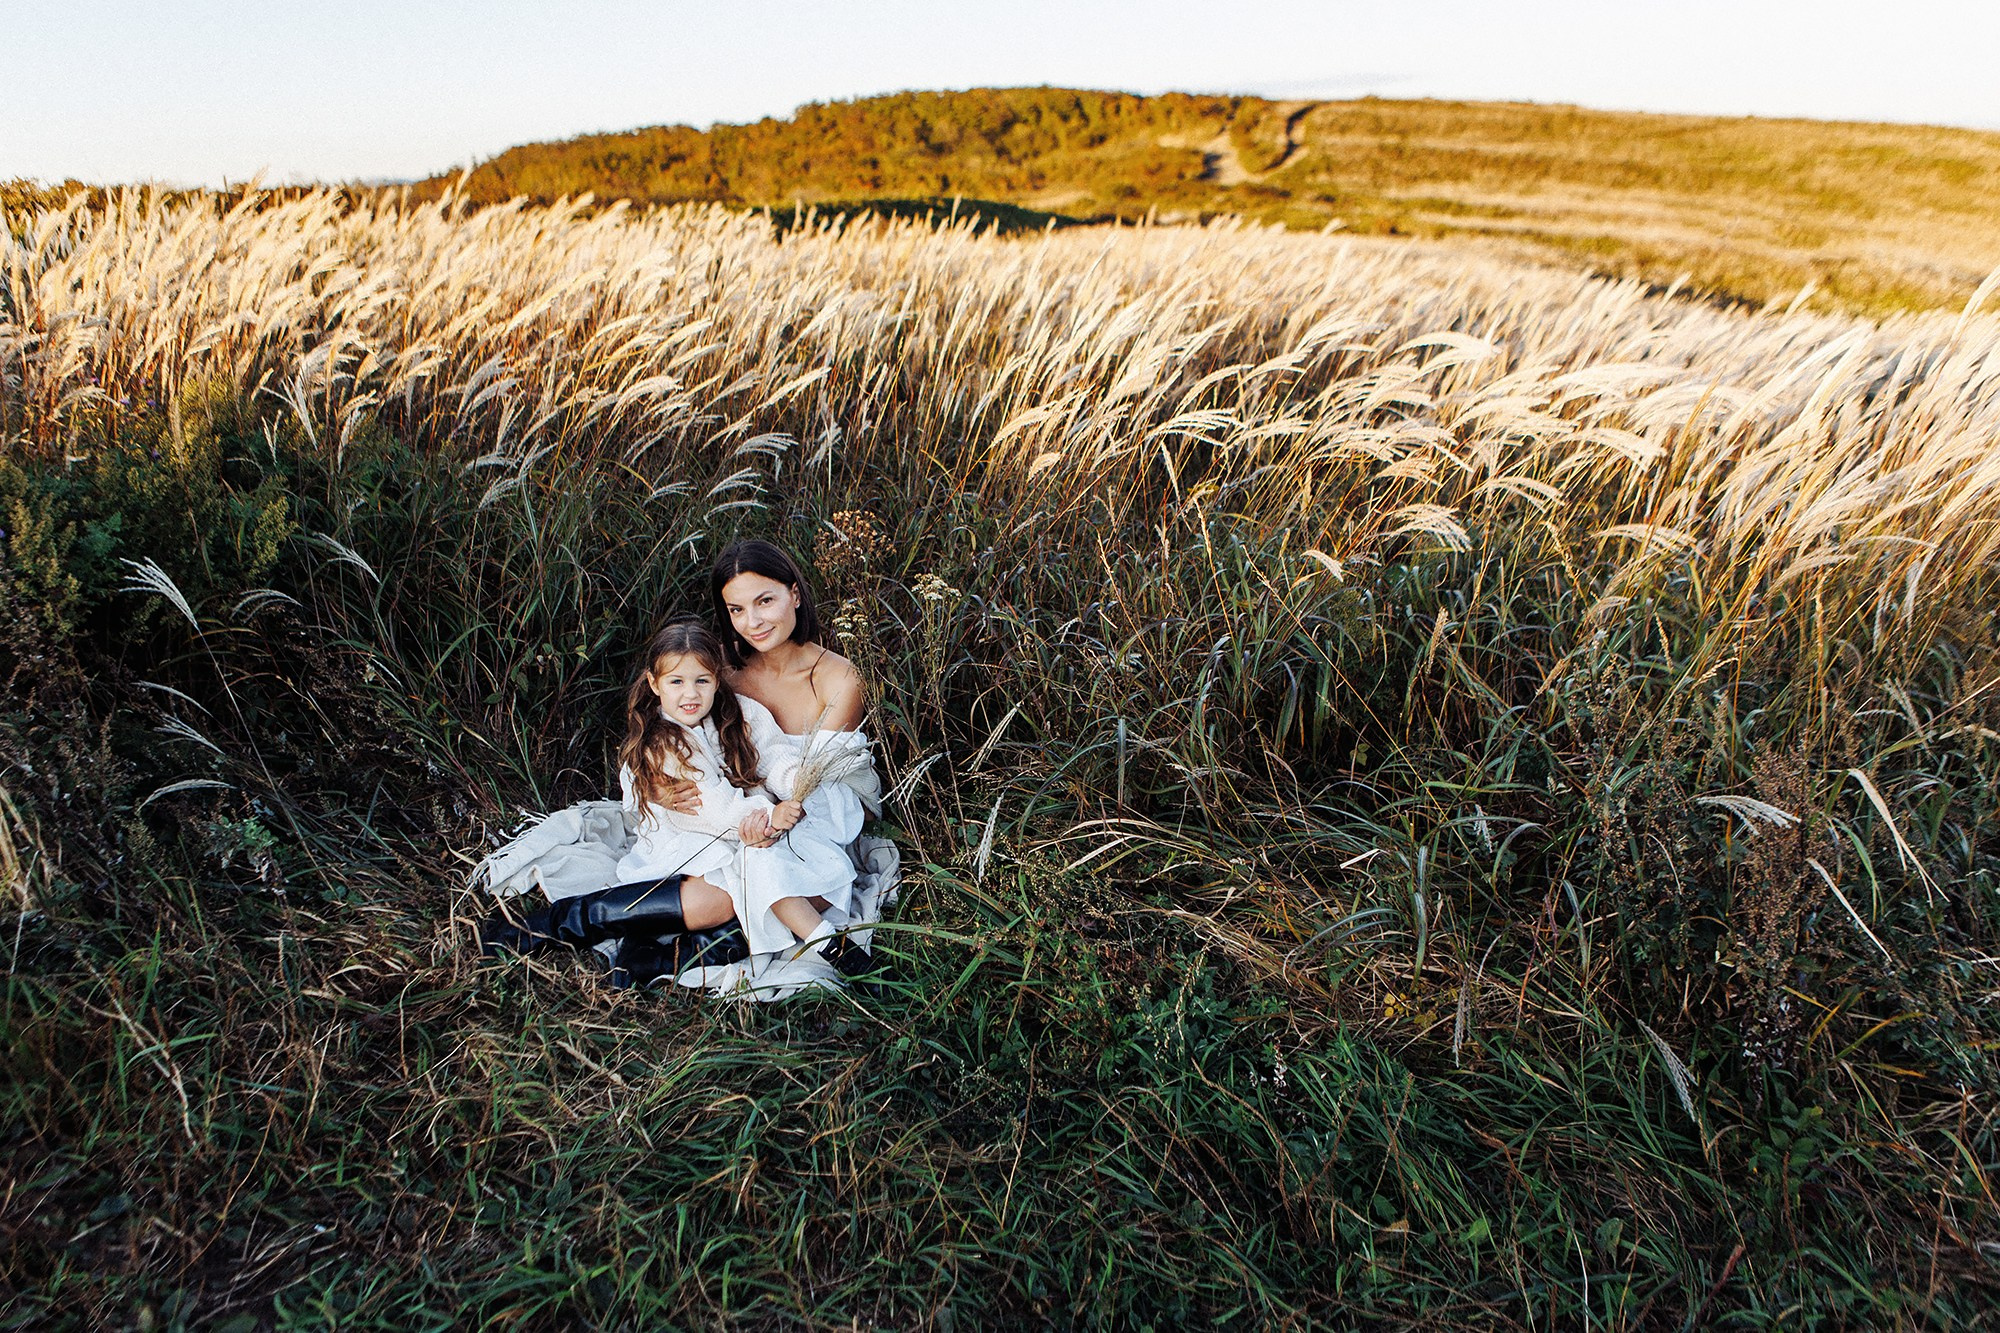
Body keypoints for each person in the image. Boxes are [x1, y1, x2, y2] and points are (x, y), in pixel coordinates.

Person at [711, 539, 885, 981]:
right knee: (747, 854)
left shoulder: (838, 676)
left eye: (764, 601)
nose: (753, 622)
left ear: (794, 593)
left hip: (828, 799)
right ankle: (832, 944)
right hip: (761, 800)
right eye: (736, 610)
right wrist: (753, 811)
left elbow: (816, 777)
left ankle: (741, 929)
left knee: (756, 857)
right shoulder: (729, 678)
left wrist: (769, 817)